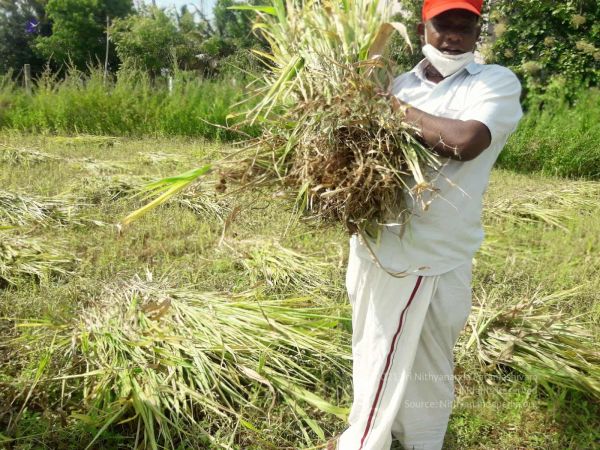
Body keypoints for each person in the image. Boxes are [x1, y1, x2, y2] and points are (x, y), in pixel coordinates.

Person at [333, 1, 523, 449]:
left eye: (466, 26)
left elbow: (465, 141)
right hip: (382, 244)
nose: (454, 36)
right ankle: (421, 439)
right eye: (444, 25)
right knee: (394, 356)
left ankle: (363, 442)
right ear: (424, 26)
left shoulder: (494, 82)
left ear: (479, 30)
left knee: (393, 357)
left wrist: (388, 106)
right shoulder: (401, 83)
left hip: (426, 253)